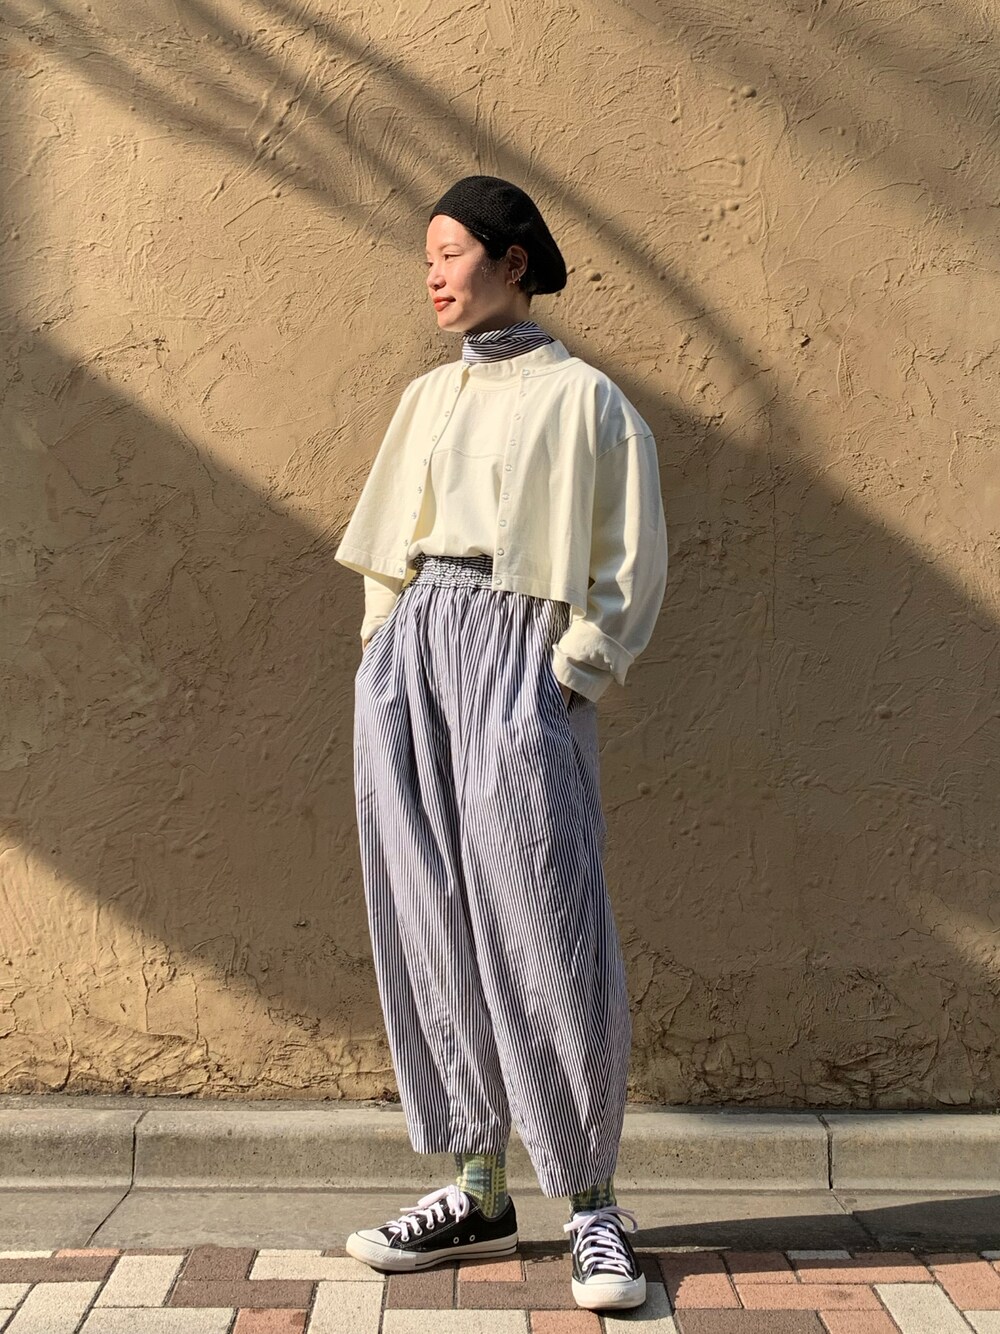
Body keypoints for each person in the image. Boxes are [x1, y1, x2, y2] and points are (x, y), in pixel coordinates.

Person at [333, 174, 668, 1312]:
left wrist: (571, 670)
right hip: (418, 652)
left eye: (451, 252)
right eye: (426, 256)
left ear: (512, 260)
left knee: (547, 922)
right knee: (429, 915)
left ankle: (591, 1203)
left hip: (522, 658)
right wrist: (385, 647)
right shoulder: (429, 398)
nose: (433, 275)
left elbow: (628, 558)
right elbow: (390, 542)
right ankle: (477, 1187)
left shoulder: (588, 401)